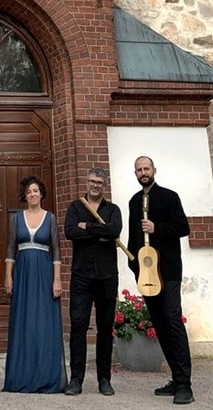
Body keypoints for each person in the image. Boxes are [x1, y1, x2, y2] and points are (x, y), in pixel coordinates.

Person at [127, 156, 193, 405]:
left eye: (146, 168)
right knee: (160, 324)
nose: (143, 172)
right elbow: (133, 237)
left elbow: (183, 227)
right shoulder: (134, 201)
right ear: (135, 173)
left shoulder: (169, 196)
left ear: (154, 170)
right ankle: (176, 378)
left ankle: (185, 384)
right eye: (139, 169)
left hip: (168, 271)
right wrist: (135, 268)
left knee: (172, 320)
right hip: (147, 274)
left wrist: (157, 228)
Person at [3, 175, 67, 393]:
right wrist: (8, 276)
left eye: (36, 191)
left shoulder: (50, 218)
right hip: (22, 273)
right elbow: (10, 249)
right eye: (29, 191)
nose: (32, 194)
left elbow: (56, 250)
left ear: (41, 194)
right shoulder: (17, 218)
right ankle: (21, 375)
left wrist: (57, 279)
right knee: (24, 322)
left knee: (43, 323)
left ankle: (45, 376)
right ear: (25, 195)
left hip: (44, 273)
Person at [63, 168, 122, 397]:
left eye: (99, 182)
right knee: (78, 326)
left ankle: (104, 379)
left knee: (105, 328)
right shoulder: (75, 207)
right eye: (91, 181)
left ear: (104, 185)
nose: (95, 185)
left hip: (107, 276)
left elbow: (114, 230)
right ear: (86, 183)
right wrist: (100, 233)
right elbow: (70, 233)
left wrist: (86, 226)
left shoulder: (113, 209)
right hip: (81, 276)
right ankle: (76, 379)